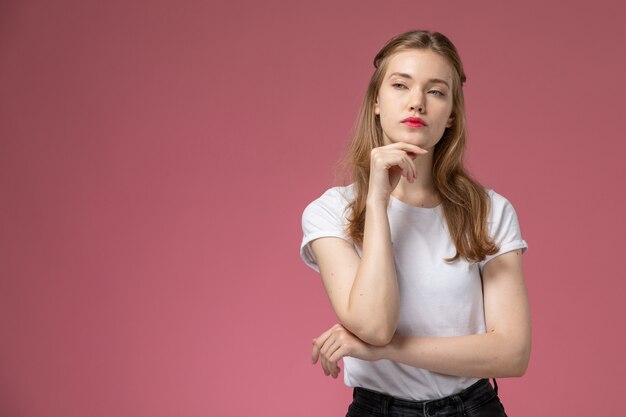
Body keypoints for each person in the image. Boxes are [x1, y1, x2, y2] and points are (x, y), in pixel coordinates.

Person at [299, 30, 530, 417]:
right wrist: (376, 201)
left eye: (436, 91)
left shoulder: (489, 210)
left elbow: (512, 353)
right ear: (376, 101)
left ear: (452, 114)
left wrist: (387, 351)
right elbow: (374, 326)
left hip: (473, 409)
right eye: (400, 85)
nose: (417, 102)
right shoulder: (330, 212)